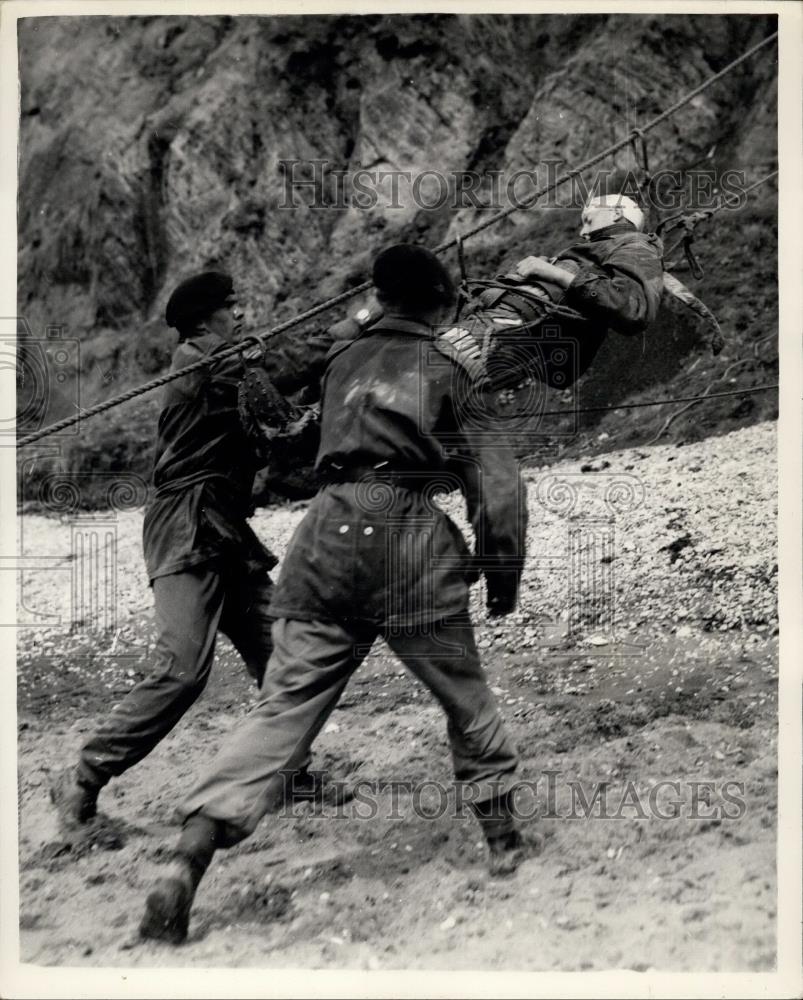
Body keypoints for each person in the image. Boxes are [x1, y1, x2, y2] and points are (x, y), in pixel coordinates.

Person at [138, 244, 529, 945]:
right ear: (441, 303)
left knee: (281, 709)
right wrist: (502, 574)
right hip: (406, 539)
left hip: (323, 539)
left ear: (378, 299)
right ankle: (503, 844)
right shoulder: (451, 365)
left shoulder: (341, 360)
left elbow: (289, 437)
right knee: (464, 697)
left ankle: (186, 858)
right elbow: (496, 490)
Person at [50, 270, 338, 830]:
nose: (241, 315)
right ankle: (83, 775)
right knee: (182, 670)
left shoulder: (226, 362)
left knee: (282, 655)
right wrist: (357, 324)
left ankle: (291, 773)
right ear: (206, 320)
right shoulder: (204, 362)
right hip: (185, 527)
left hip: (222, 528)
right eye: (231, 308)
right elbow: (281, 373)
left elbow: (281, 403)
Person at [458, 193, 667, 392]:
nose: (582, 232)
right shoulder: (607, 249)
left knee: (437, 362)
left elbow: (634, 309)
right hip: (510, 335)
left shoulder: (635, 244)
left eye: (589, 220)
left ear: (616, 213)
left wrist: (554, 273)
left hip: (507, 330)